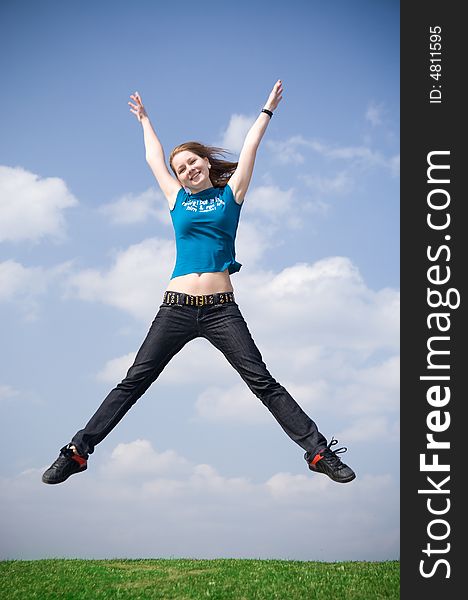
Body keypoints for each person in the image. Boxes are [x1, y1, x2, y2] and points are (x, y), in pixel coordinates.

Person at [42, 80, 355, 486]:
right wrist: (145, 121)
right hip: (176, 307)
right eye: (180, 168)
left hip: (222, 310)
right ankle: (77, 452)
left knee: (262, 381)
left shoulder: (231, 196)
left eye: (192, 162)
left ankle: (319, 453)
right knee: (134, 380)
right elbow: (154, 160)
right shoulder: (178, 200)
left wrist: (267, 110)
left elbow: (250, 149)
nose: (186, 170)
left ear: (205, 162)